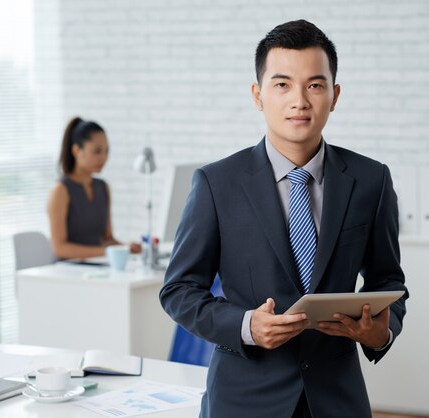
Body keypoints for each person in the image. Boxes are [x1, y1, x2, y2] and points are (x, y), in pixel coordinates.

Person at [159, 20, 408, 417]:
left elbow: (389, 281)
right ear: (258, 95)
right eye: (282, 85)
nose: (300, 101)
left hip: (337, 400)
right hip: (244, 400)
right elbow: (179, 291)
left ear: (334, 95)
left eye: (314, 85)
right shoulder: (215, 183)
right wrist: (246, 326)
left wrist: (381, 331)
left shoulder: (371, 180)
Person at [48, 117, 139, 260]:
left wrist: (127, 248)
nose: (104, 158)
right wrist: (105, 252)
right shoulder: (61, 190)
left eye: (106, 151)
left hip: (96, 268)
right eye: (97, 151)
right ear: (77, 150)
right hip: (67, 272)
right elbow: (59, 248)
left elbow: (107, 238)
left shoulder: (103, 187)